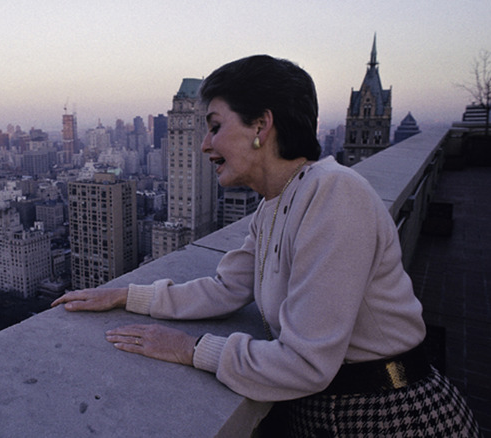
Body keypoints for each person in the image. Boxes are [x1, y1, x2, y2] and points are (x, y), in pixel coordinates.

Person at [52, 55, 480, 437]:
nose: (205, 144)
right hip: (328, 412)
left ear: (261, 125)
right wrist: (126, 295)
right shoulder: (276, 204)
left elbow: (306, 363)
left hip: (390, 417)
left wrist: (191, 348)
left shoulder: (335, 194)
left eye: (216, 126)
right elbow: (227, 288)